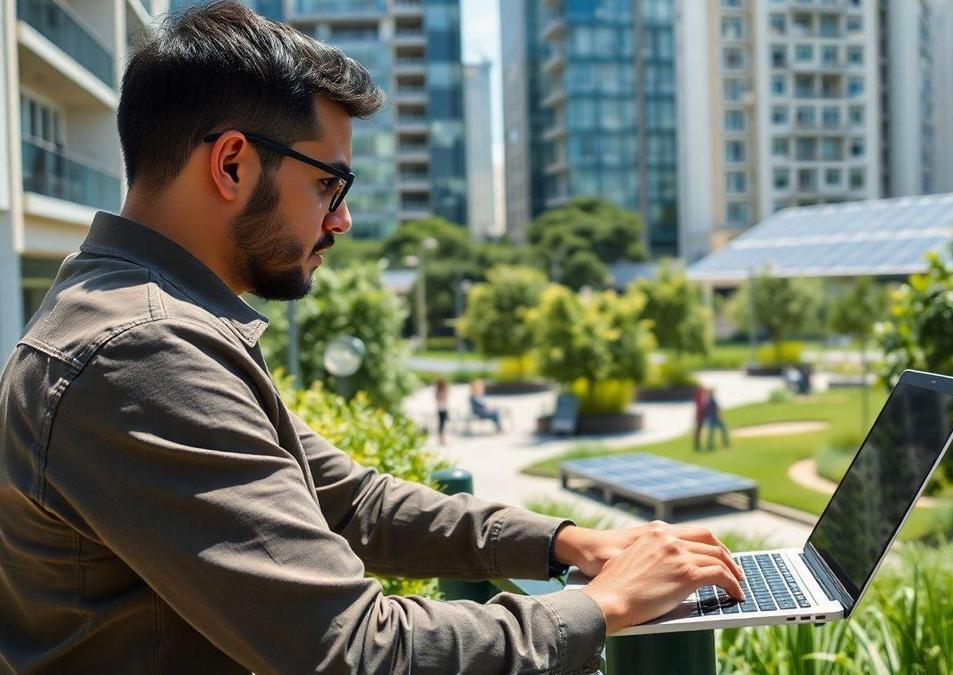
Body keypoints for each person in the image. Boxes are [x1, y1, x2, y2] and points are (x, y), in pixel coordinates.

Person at [0, 4, 744, 672]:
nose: (341, 221)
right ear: (231, 163)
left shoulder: (149, 320)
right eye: (329, 184)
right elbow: (354, 651)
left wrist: (565, 541)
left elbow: (351, 503)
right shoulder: (140, 352)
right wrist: (604, 604)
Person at [693, 384, 709, 450]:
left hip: (700, 416)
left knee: (698, 430)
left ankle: (697, 444)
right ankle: (697, 444)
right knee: (698, 430)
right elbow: (701, 407)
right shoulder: (699, 398)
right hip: (700, 416)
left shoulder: (700, 397)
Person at [434, 378, 450, 445]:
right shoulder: (439, 392)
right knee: (441, 424)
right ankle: (441, 438)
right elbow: (441, 398)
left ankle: (442, 438)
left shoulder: (441, 391)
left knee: (443, 423)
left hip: (444, 408)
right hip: (441, 409)